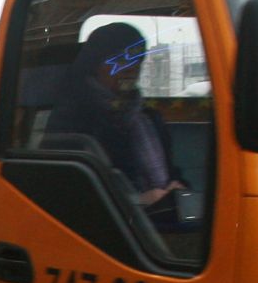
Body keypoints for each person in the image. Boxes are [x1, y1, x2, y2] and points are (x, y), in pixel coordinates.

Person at [42, 20, 185, 220]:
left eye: (137, 60)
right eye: (119, 61)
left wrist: (177, 188)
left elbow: (172, 171)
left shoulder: (148, 118)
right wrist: (138, 199)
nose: (130, 69)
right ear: (95, 65)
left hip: (158, 218)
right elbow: (67, 189)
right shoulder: (72, 117)